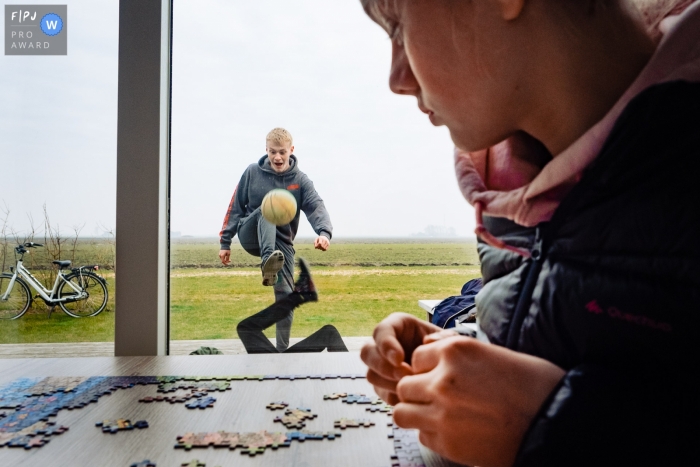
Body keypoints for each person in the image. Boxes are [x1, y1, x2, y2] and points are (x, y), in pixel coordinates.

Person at [359, 1, 700, 466]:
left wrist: (557, 426)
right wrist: (467, 349)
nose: (397, 79)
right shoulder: (508, 192)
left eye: (398, 26)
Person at [219, 128, 333, 351]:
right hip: (251, 234)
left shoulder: (300, 180)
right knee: (269, 206)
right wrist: (225, 242)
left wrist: (323, 233)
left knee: (286, 297)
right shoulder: (252, 172)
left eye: (282, 152)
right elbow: (234, 207)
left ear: (291, 150)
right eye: (272, 152)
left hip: (282, 244)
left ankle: (282, 350)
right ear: (266, 150)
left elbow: (316, 206)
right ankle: (267, 265)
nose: (277, 157)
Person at [237, 258, 348, 354]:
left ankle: (299, 296)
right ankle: (299, 295)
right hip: (277, 372)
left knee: (246, 328)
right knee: (329, 332)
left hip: (275, 372)